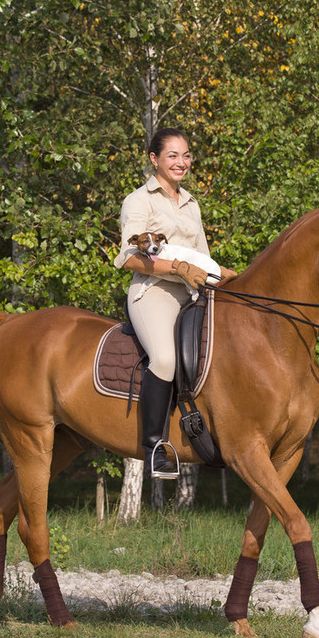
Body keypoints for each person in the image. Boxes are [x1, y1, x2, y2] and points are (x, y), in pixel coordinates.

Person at [114, 128, 236, 476]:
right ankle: (154, 448)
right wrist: (179, 268)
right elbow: (130, 258)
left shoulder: (191, 203)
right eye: (172, 155)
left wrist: (225, 275)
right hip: (154, 291)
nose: (181, 162)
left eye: (186, 155)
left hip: (195, 292)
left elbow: (203, 257)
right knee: (165, 359)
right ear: (154, 159)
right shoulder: (140, 200)